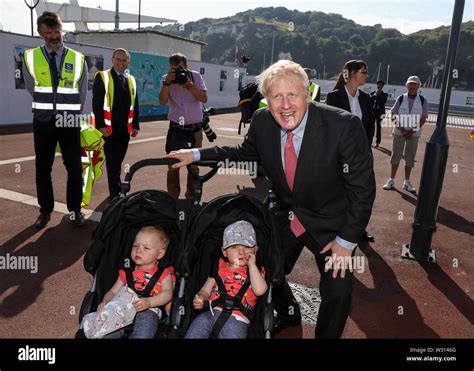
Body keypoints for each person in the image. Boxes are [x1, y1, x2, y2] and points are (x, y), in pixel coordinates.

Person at [165, 60, 376, 338]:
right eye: (276, 96)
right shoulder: (264, 120)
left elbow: (363, 190)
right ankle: (288, 311)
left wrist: (347, 241)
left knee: (338, 291)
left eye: (293, 95)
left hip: (332, 223)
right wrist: (195, 155)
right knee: (264, 273)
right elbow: (243, 152)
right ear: (266, 99)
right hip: (284, 214)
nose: (285, 105)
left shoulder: (343, 126)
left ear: (308, 94)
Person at [22, 11, 88, 229]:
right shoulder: (30, 57)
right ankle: (45, 210)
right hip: (43, 119)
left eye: (57, 31)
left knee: (74, 167)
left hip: (69, 120)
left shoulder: (78, 58)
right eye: (49, 32)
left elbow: (81, 91)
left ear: (62, 30)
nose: (54, 36)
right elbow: (31, 86)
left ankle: (75, 210)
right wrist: (48, 105)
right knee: (43, 167)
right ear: (41, 34)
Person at [185, 220, 267, 339]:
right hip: (211, 313)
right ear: (224, 251)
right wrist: (201, 298)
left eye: (247, 246)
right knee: (197, 325)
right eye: (234, 247)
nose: (241, 252)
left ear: (255, 249)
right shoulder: (219, 268)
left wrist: (252, 266)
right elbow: (205, 290)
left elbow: (260, 290)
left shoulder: (257, 271)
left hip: (237, 320)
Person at [325, 59, 375, 243]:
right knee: (339, 191)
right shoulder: (334, 97)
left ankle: (358, 228)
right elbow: (328, 128)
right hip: (339, 155)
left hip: (360, 155)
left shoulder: (366, 98)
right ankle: (336, 226)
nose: (366, 75)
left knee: (360, 192)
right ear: (352, 74)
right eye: (363, 71)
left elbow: (370, 126)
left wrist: (365, 149)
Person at [98, 226, 174, 339]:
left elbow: (168, 293)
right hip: (121, 310)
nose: (138, 250)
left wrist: (149, 302)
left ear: (160, 254)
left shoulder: (164, 273)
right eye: (135, 246)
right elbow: (113, 291)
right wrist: (106, 301)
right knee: (108, 333)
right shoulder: (127, 272)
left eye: (146, 248)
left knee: (143, 332)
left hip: (148, 309)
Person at [91, 48, 139, 200]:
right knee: (113, 163)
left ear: (128, 62)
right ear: (112, 60)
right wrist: (100, 125)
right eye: (118, 59)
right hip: (109, 130)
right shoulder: (103, 77)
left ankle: (117, 189)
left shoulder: (130, 79)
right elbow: (97, 103)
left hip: (125, 130)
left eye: (124, 60)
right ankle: (115, 193)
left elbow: (135, 103)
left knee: (118, 161)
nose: (121, 62)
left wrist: (136, 124)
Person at [159, 53, 208, 199]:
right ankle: (172, 198)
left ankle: (192, 198)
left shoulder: (195, 76)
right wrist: (167, 83)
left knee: (193, 165)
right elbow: (162, 101)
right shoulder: (166, 78)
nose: (179, 71)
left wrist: (189, 86)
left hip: (194, 130)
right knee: (173, 165)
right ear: (170, 67)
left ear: (186, 66)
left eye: (181, 67)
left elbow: (203, 98)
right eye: (175, 67)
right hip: (176, 130)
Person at [383, 76, 428, 194]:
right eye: (410, 84)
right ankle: (391, 179)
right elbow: (392, 114)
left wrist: (412, 131)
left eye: (415, 84)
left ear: (419, 86)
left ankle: (407, 181)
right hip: (399, 132)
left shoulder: (423, 100)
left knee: (410, 157)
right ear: (406, 85)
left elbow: (423, 119)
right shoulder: (401, 98)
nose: (412, 86)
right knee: (395, 155)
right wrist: (402, 130)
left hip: (414, 134)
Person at [370, 80, 388, 147]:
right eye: (378, 85)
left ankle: (377, 142)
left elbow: (382, 102)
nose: (379, 86)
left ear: (382, 86)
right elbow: (370, 102)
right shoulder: (372, 93)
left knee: (378, 127)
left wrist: (376, 97)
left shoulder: (385, 94)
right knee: (371, 127)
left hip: (380, 113)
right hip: (373, 112)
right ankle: (370, 140)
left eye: (381, 85)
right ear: (377, 85)